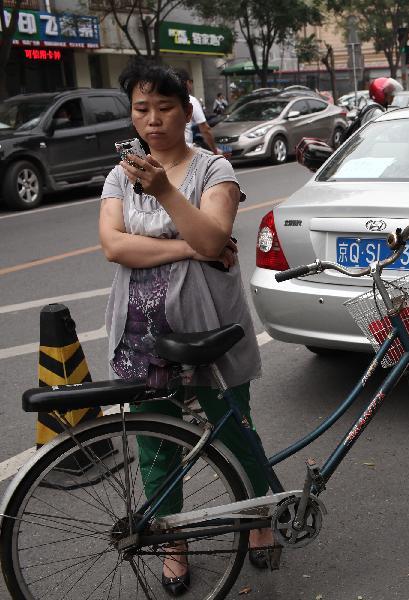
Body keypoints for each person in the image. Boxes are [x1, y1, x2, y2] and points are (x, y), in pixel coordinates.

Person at [99, 59, 271, 596]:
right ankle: (173, 542)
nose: (153, 121)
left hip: (208, 326)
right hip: (140, 332)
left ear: (186, 108)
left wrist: (170, 197)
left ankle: (258, 516)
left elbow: (215, 234)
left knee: (232, 425)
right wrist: (191, 248)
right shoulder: (119, 176)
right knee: (155, 443)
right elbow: (114, 245)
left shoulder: (214, 171)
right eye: (141, 109)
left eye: (165, 108)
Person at [341, 76, 403, 142]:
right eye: (390, 95)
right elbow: (382, 137)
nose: (392, 98)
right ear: (381, 94)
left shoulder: (370, 106)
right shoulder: (376, 112)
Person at [173, 68, 218, 154]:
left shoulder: (163, 100)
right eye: (191, 82)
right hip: (185, 150)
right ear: (187, 83)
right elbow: (205, 129)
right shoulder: (191, 100)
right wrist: (215, 151)